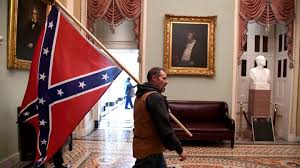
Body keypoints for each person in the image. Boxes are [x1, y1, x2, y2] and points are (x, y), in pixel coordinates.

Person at [132, 67, 187, 168]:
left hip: (151, 148)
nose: (166, 82)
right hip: (149, 150)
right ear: (154, 78)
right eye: (164, 78)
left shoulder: (141, 95)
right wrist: (179, 149)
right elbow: (165, 127)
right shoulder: (155, 97)